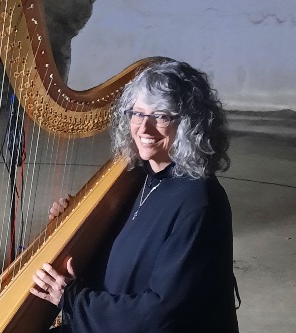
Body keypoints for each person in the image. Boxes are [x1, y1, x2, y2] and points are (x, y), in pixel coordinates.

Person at [30, 59, 240, 332]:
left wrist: (72, 299)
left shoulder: (200, 202)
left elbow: (160, 315)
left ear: (190, 125)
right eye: (138, 113)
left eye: (161, 116)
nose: (144, 128)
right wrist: (76, 224)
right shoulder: (141, 177)